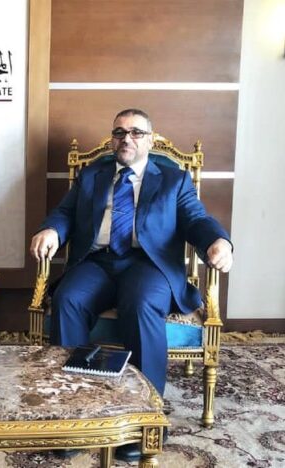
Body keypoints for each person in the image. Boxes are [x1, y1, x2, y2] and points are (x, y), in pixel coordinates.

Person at [30, 108, 233, 462]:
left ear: (150, 140)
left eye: (136, 132)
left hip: (148, 264)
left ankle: (144, 420)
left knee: (139, 304)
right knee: (67, 299)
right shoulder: (91, 175)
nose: (127, 139)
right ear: (113, 140)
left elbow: (196, 219)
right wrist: (52, 230)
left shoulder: (173, 180)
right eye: (120, 132)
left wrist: (219, 241)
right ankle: (75, 413)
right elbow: (65, 213)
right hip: (99, 261)